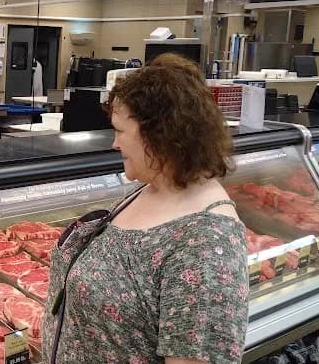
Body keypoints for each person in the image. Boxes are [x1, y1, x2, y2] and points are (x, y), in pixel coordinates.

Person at [43, 53, 249, 364]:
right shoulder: (149, 188)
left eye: (121, 131)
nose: (115, 144)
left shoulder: (206, 243)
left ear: (160, 134)